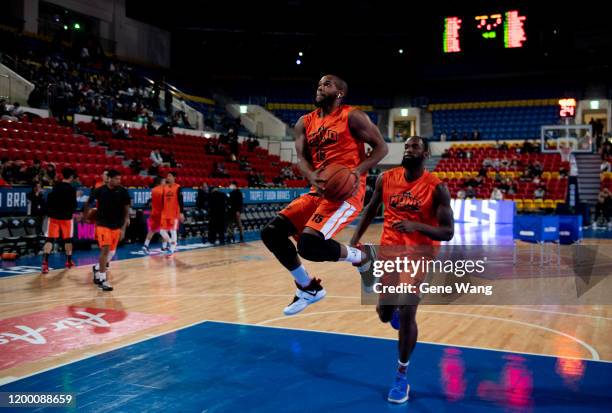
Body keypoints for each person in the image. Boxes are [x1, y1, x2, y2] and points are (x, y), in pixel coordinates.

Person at [260, 74, 388, 315]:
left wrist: (356, 172)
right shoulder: (304, 122)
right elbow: (301, 158)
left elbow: (382, 147)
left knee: (308, 245)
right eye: (319, 84)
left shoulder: (352, 116)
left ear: (339, 93)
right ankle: (308, 288)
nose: (320, 87)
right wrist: (311, 176)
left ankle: (362, 258)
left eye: (327, 84)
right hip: (318, 190)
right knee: (271, 233)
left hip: (346, 193)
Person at [349, 136, 454, 404]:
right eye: (406, 146)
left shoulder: (436, 188)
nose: (408, 150)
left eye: (414, 146)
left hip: (419, 255)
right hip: (390, 252)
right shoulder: (386, 179)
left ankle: (401, 375)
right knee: (385, 315)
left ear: (426, 154)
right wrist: (353, 241)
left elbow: (448, 232)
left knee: (408, 312)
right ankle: (391, 311)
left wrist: (417, 226)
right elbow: (371, 210)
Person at [85, 170, 131, 291]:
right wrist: (86, 216)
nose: (118, 181)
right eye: (116, 179)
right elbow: (88, 203)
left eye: (119, 179)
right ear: (109, 179)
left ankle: (97, 268)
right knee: (105, 250)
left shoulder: (123, 191)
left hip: (116, 225)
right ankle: (102, 279)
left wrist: (124, 228)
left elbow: (126, 209)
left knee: (111, 253)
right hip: (102, 224)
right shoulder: (100, 190)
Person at [41, 168, 78, 274]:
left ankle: (45, 263)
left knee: (49, 240)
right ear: (71, 177)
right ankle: (69, 261)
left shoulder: (56, 186)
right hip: (66, 218)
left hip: (54, 217)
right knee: (68, 240)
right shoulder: (72, 189)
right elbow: (74, 205)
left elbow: (49, 199)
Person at [142, 176, 170, 254]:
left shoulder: (153, 190)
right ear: (159, 182)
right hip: (162, 213)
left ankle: (145, 246)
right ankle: (165, 247)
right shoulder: (163, 190)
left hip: (154, 213)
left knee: (152, 230)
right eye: (164, 181)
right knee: (165, 230)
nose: (165, 182)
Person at [159, 171, 184, 257]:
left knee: (173, 231)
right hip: (165, 213)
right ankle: (172, 243)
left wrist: (181, 212)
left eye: (169, 176)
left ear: (174, 178)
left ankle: (172, 249)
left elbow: (181, 201)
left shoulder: (178, 187)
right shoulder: (164, 187)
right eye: (167, 176)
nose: (168, 177)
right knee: (162, 231)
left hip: (174, 213)